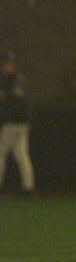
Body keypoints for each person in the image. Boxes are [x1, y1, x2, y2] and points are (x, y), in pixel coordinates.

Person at [0, 51, 35, 193]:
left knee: (1, 153)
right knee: (21, 154)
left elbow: (8, 103)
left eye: (7, 64)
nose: (5, 66)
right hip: (23, 123)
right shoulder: (20, 79)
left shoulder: (8, 81)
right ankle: (28, 188)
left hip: (12, 123)